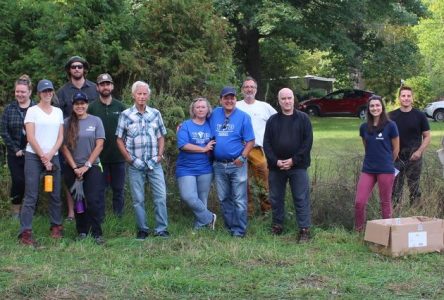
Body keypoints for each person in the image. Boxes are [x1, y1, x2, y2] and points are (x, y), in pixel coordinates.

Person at [116, 81, 169, 240]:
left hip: (154, 163)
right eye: (139, 93)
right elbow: (119, 139)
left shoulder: (155, 113)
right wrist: (128, 159)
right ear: (133, 95)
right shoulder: (126, 115)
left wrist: (160, 156)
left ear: (148, 95)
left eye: (145, 93)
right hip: (135, 164)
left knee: (160, 197)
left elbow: (161, 136)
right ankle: (142, 229)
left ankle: (162, 229)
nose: (142, 96)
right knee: (138, 199)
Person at [263, 88, 313, 242]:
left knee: (300, 198)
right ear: (278, 101)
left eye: (289, 98)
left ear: (293, 99)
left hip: (298, 166)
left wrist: (293, 161)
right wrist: (276, 161)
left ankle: (304, 230)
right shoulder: (272, 120)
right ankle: (277, 226)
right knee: (276, 198)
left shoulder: (303, 119)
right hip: (276, 167)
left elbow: (307, 143)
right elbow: (267, 144)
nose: (286, 101)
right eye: (283, 98)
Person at [19, 79, 64, 246]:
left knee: (55, 193)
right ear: (39, 93)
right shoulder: (32, 111)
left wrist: (51, 155)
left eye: (50, 90)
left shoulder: (58, 112)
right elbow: (30, 137)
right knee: (31, 195)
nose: (47, 93)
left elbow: (60, 137)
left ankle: (56, 226)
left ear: (53, 92)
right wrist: (44, 158)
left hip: (54, 156)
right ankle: (25, 232)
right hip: (33, 156)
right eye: (44, 91)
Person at [57, 55, 99, 221]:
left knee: (91, 176)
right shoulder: (62, 92)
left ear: (84, 70)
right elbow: (57, 116)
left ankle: (90, 210)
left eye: (79, 67)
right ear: (69, 70)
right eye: (73, 67)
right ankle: (72, 212)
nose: (76, 69)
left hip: (90, 138)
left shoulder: (94, 88)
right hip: (69, 141)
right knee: (71, 176)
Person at [210, 87, 255, 238]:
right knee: (224, 198)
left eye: (232, 98)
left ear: (236, 99)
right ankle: (230, 226)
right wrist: (184, 125)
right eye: (226, 98)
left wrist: (242, 157)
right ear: (221, 100)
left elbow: (250, 141)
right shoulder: (214, 113)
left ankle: (239, 230)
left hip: (237, 164)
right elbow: (199, 117)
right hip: (218, 164)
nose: (229, 101)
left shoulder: (243, 117)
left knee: (239, 199)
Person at [61, 92, 106, 244]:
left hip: (92, 166)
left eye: (82, 103)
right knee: (78, 200)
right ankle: (82, 231)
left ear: (87, 104)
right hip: (73, 168)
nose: (80, 106)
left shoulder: (96, 121)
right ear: (73, 106)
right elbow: (64, 147)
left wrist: (86, 166)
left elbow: (99, 145)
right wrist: (75, 168)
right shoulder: (67, 123)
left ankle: (97, 233)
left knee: (93, 200)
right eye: (76, 104)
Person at [354, 96, 399, 232]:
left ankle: (387, 233)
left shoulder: (391, 126)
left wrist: (387, 162)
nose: (375, 108)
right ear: (368, 109)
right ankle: (359, 231)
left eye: (377, 105)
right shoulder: (363, 128)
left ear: (382, 107)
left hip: (385, 169)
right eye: (372, 106)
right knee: (359, 202)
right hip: (368, 169)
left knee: (385, 202)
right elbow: (367, 147)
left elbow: (396, 148)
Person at [87, 73, 126, 217]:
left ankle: (118, 218)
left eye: (108, 84)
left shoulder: (121, 107)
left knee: (118, 190)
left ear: (112, 86)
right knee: (99, 190)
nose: (105, 87)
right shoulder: (91, 108)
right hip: (99, 158)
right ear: (97, 87)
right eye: (102, 84)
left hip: (118, 156)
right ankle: (100, 218)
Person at [237, 76, 277, 215]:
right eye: (246, 87)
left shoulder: (264, 106)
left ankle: (267, 213)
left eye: (252, 87)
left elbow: (278, 121)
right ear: (242, 90)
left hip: (258, 150)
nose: (249, 89)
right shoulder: (236, 106)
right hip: (239, 150)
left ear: (256, 89)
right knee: (243, 183)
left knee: (263, 181)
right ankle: (247, 213)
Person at [176, 97, 217, 230]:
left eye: (203, 107)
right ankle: (210, 217)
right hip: (186, 167)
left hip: (205, 167)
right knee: (188, 196)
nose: (200, 109)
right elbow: (183, 145)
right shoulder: (186, 125)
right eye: (197, 107)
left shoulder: (211, 125)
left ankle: (201, 226)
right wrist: (203, 148)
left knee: (202, 198)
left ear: (208, 109)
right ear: (193, 110)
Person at [1, 75, 36, 219]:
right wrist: (15, 149)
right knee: (18, 181)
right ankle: (15, 211)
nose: (20, 94)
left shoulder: (36, 109)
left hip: (32, 152)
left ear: (29, 92)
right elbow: (3, 131)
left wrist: (29, 147)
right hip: (14, 153)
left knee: (30, 182)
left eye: (23, 92)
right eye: (17, 91)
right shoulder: (9, 109)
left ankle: (29, 211)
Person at [389, 86, 431, 205]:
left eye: (408, 96)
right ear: (399, 98)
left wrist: (419, 152)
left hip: (414, 158)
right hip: (396, 158)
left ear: (412, 98)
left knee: (414, 188)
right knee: (395, 189)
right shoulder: (391, 116)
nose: (406, 98)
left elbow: (427, 136)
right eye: (403, 96)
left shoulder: (420, 116)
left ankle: (415, 213)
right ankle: (394, 215)